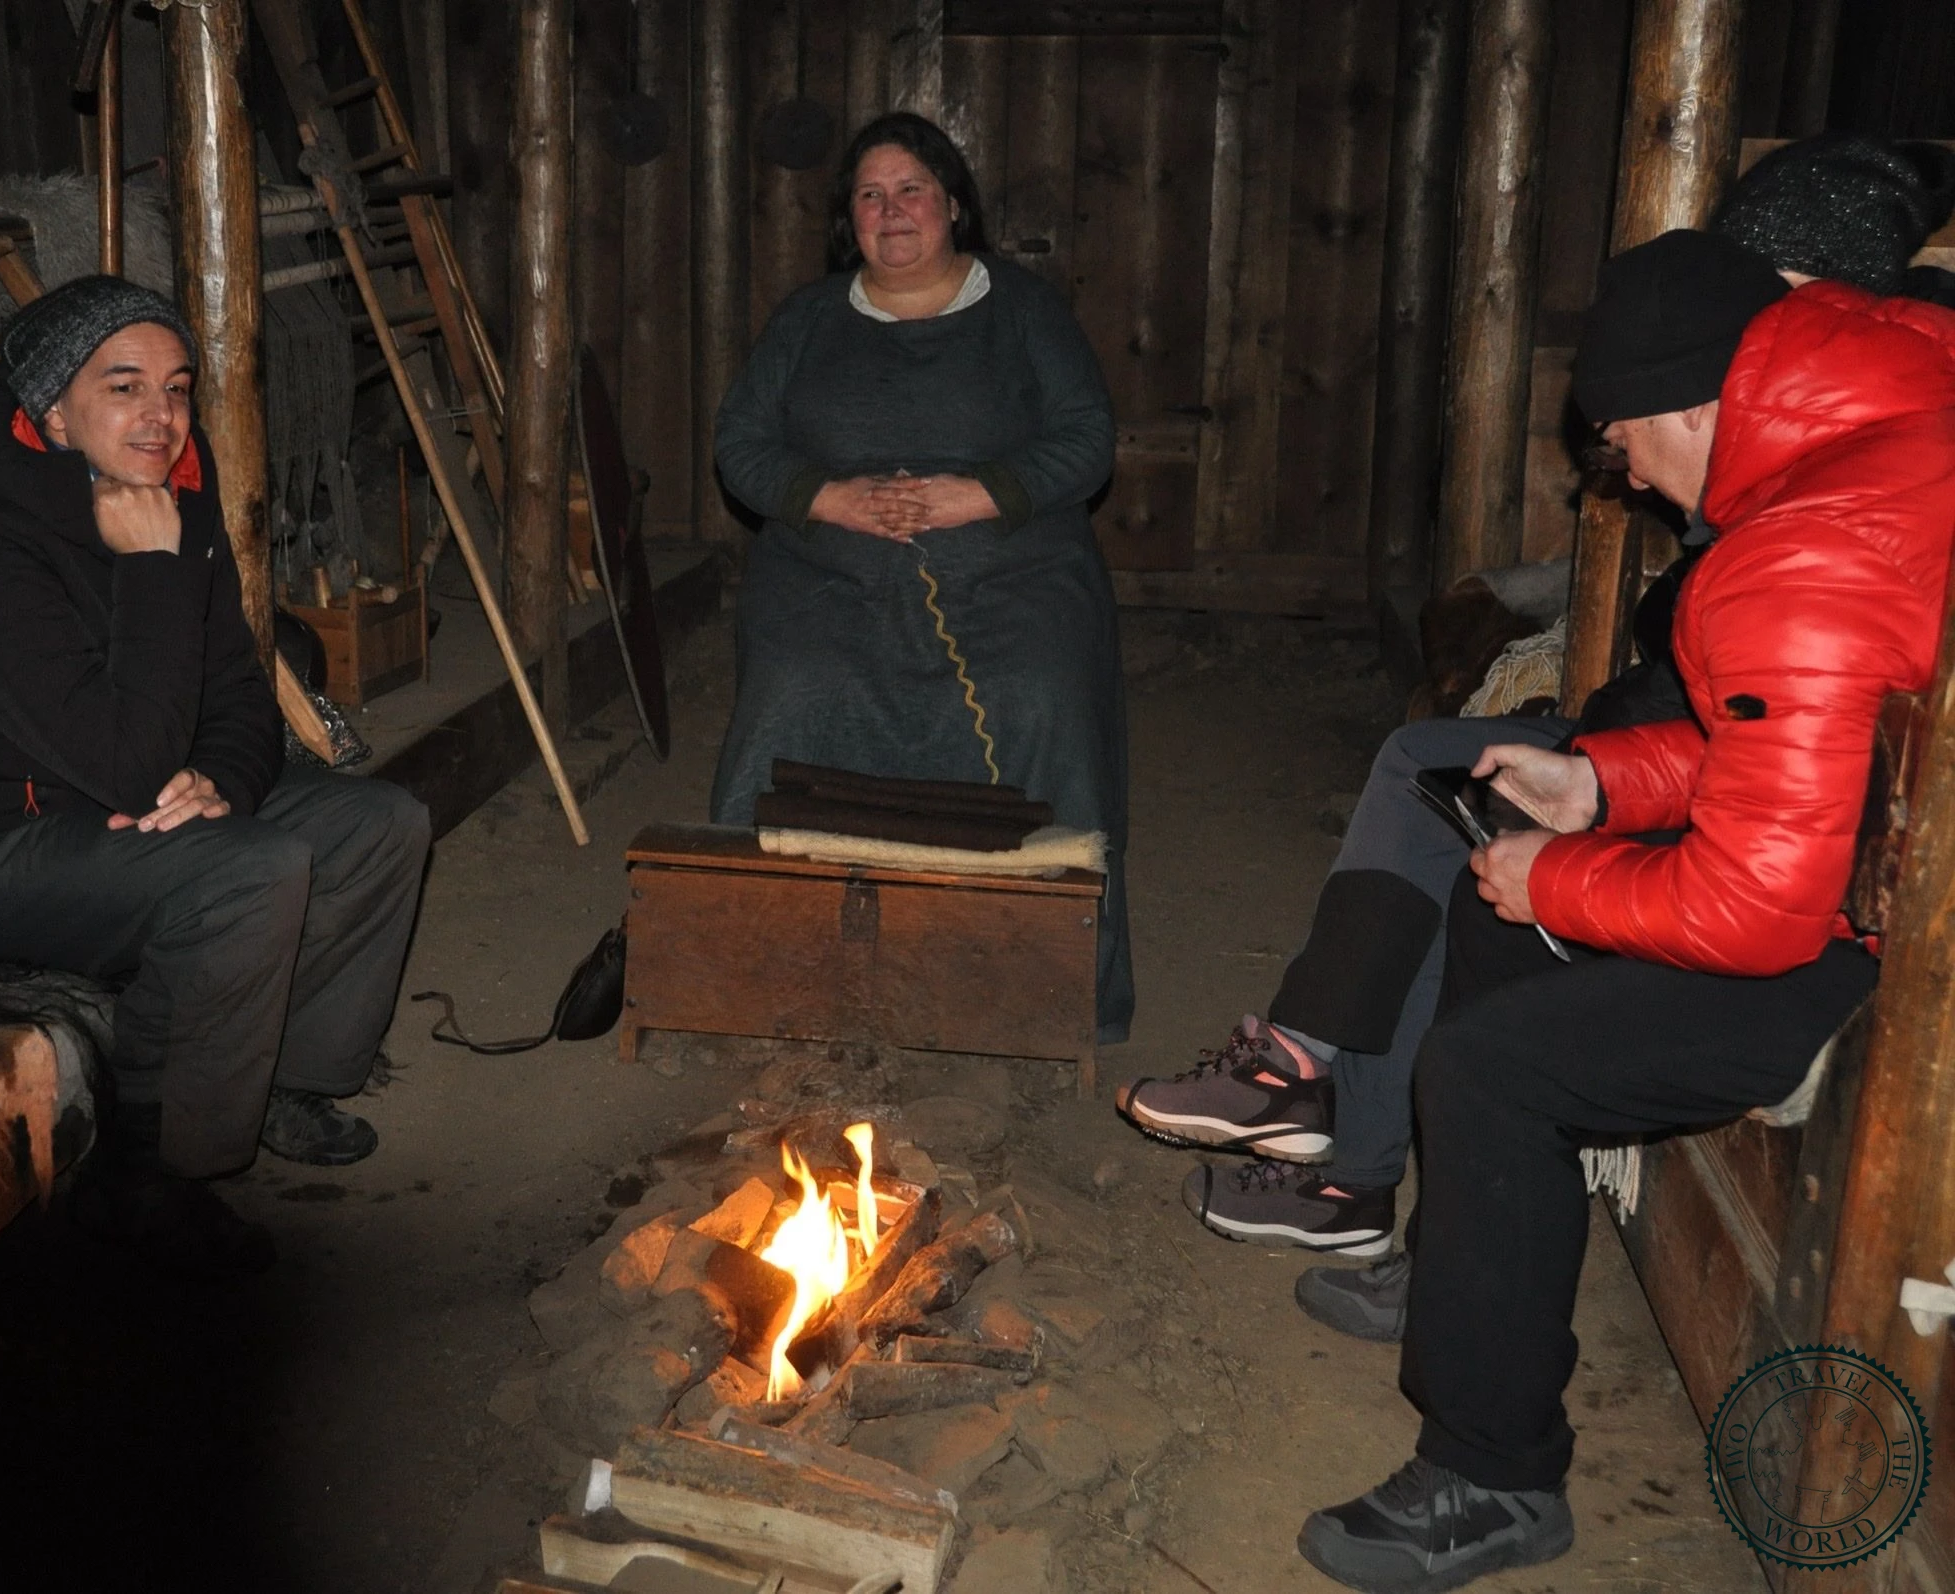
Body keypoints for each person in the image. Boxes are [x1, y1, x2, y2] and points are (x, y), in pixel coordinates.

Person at [1117, 129, 1955, 1290]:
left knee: (1466, 832)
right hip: (1702, 753)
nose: (1747, 319)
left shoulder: (1833, 443)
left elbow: (1760, 703)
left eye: (1773, 293)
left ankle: (1341, 1156)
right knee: (1434, 762)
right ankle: (1316, 1098)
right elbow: (1708, 670)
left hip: (1756, 805)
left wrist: (1602, 774)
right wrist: (1603, 745)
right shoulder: (1813, 410)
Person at [1290, 229, 1955, 1591]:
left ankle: (1492, 1474)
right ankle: (1454, 1272)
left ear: (1697, 406)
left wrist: (1561, 873)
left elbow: (1763, 909)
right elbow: (1795, 757)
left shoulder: (1801, 551)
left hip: (1889, 945)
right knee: (1497, 910)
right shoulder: (1875, 448)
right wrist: (1596, 784)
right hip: (1875, 863)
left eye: (1623, 442)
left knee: (1493, 1061)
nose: (1621, 472)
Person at [0, 275, 433, 1273]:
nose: (161, 416)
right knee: (247, 875)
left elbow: (236, 686)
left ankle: (291, 1076)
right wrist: (155, 569)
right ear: (50, 408)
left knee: (379, 823)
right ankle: (155, 1173)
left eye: (176, 388)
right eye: (122, 387)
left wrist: (222, 777)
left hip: (121, 797)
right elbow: (123, 761)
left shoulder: (175, 492)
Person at [709, 112, 1132, 1040]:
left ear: (951, 205)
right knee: (794, 690)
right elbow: (740, 446)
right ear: (848, 221)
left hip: (1010, 569)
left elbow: (1086, 440)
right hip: (833, 573)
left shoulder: (1023, 309)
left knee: (1038, 693)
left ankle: (1036, 984)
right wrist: (830, 497)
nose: (890, 211)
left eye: (910, 191)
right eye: (869, 195)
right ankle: (772, 964)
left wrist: (979, 492)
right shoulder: (807, 319)